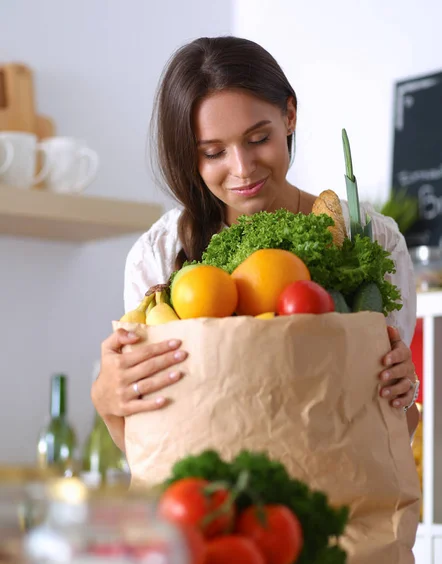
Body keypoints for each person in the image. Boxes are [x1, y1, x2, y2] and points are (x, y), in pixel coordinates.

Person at [91, 36, 420, 452]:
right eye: (213, 153)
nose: (242, 169)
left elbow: (395, 430)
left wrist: (404, 388)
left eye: (258, 138)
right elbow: (151, 446)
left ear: (289, 116)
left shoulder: (369, 237)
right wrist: (106, 400)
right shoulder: (159, 254)